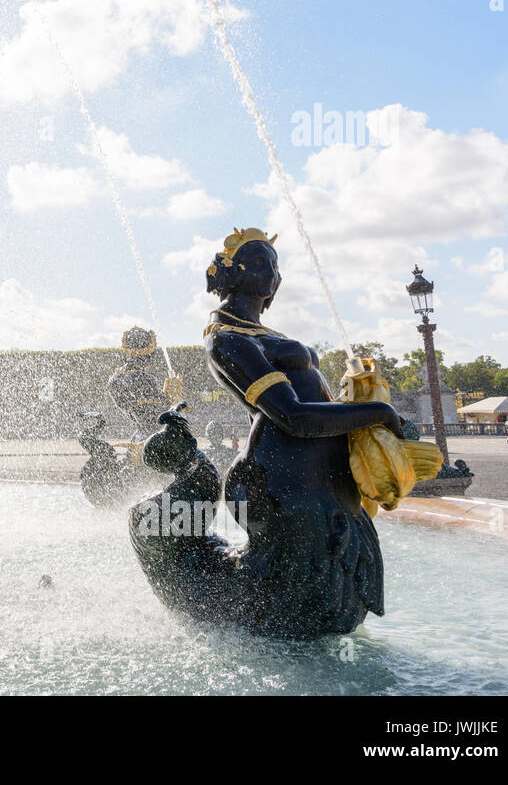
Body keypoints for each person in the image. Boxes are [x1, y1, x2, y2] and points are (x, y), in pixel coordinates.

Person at [129, 227, 408, 638]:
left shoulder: (266, 336)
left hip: (315, 474)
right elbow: (291, 415)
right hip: (281, 478)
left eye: (274, 266)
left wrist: (367, 415)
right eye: (258, 262)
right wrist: (378, 411)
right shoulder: (227, 339)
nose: (270, 273)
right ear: (231, 273)